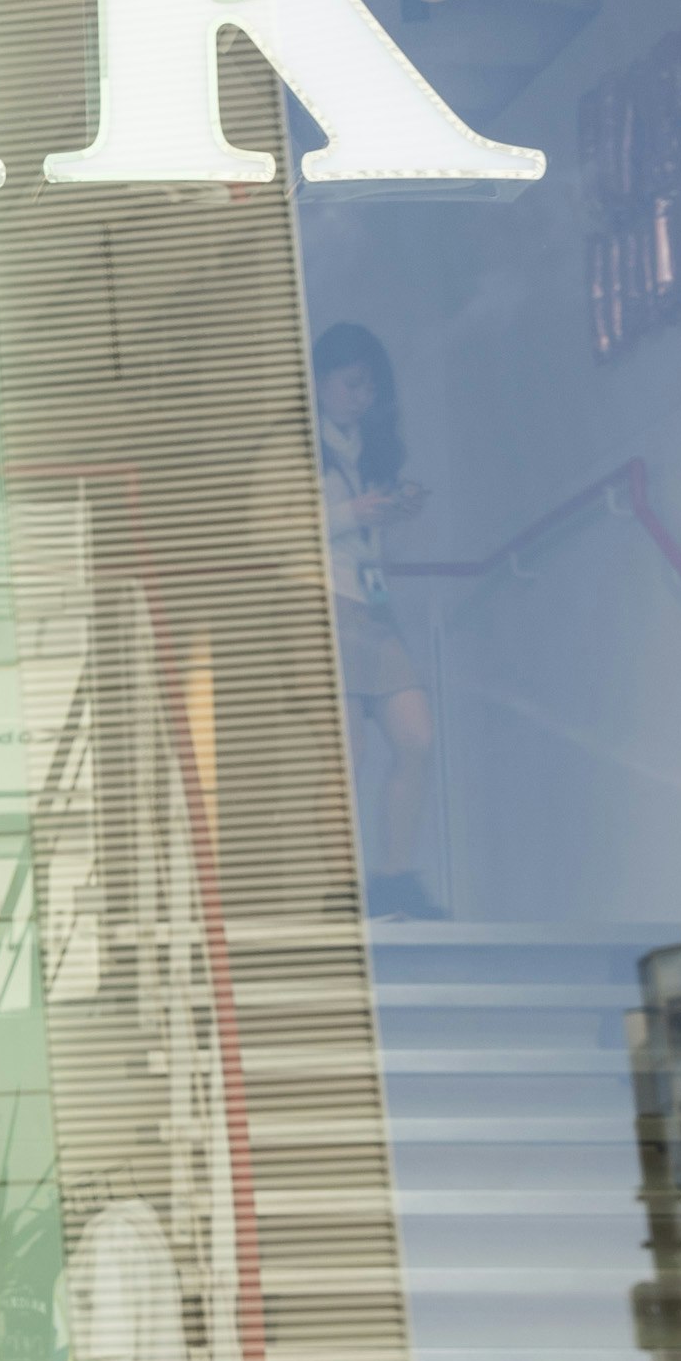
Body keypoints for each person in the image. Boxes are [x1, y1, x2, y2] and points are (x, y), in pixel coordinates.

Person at [312, 320, 441, 918]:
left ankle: (393, 877)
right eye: (352, 385)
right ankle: (343, 890)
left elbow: (363, 537)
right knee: (349, 753)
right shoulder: (297, 445)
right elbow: (266, 530)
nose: (363, 399)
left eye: (370, 388)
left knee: (415, 737)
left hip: (372, 603)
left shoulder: (371, 448)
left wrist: (387, 509)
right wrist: (349, 512)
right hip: (321, 601)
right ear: (319, 382)